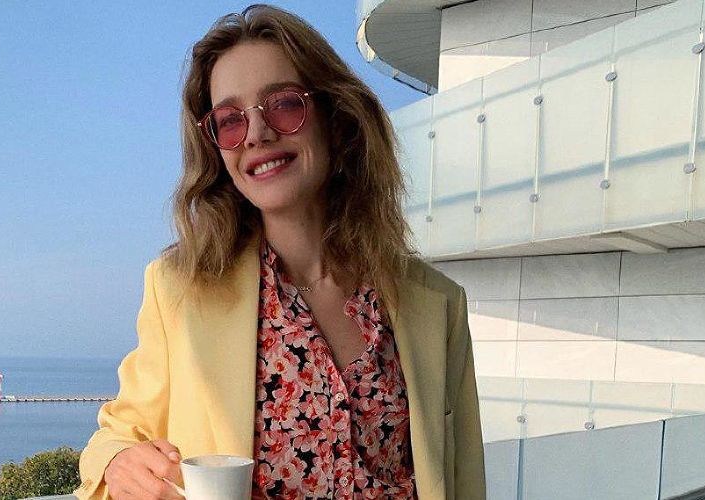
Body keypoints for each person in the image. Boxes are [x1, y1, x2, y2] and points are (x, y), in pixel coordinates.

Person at [72, 4, 484, 499]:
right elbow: (118, 435)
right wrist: (118, 462)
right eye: (230, 121)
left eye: (284, 104)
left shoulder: (436, 303)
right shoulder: (180, 288)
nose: (258, 134)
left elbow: (465, 479)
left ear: (336, 118)